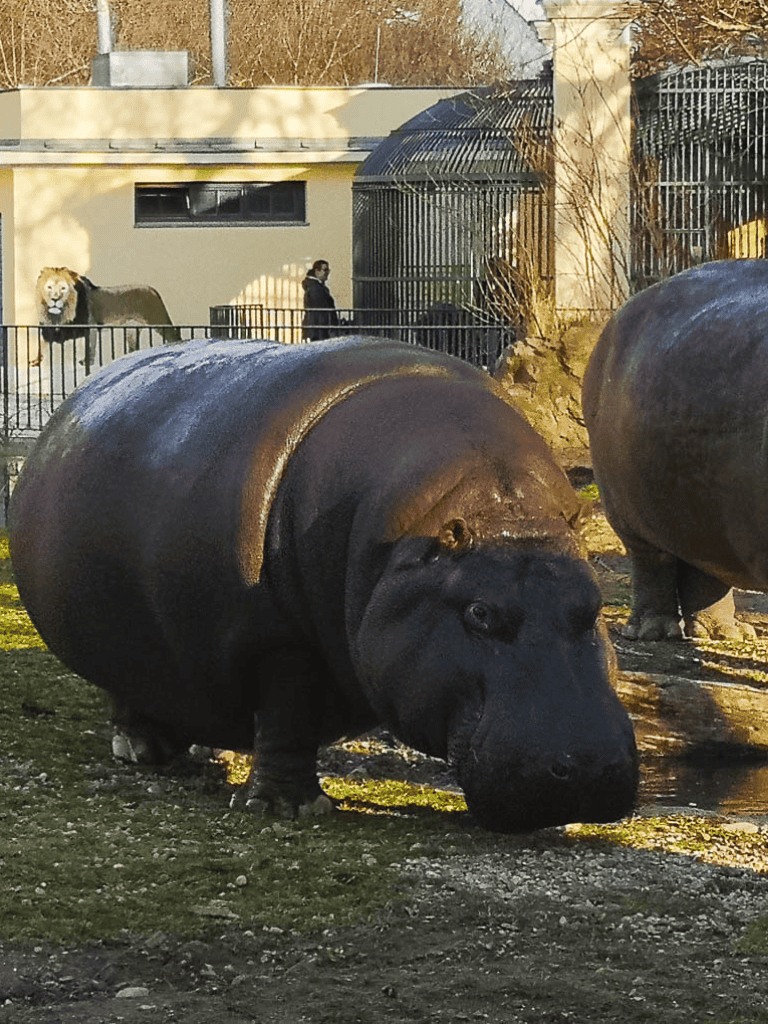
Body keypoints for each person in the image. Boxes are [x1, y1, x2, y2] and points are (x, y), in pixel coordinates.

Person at [302, 259, 339, 341]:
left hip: (316, 327)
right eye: (325, 270)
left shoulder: (313, 286)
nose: (328, 272)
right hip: (319, 328)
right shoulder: (316, 288)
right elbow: (322, 308)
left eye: (328, 270)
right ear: (317, 271)